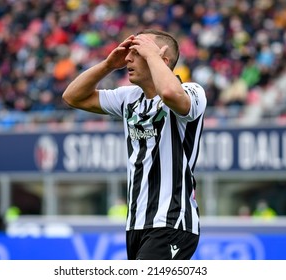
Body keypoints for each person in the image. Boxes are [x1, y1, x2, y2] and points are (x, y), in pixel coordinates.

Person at [62, 29, 207, 260]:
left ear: (162, 58)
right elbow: (72, 97)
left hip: (172, 222)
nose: (127, 58)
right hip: (136, 225)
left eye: (136, 53)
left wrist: (152, 56)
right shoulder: (129, 98)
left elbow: (169, 93)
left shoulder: (192, 91)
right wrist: (108, 65)